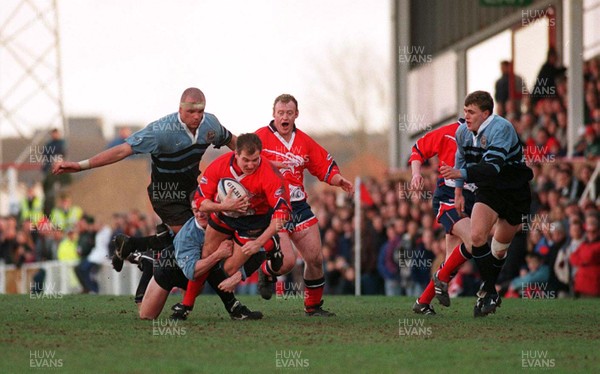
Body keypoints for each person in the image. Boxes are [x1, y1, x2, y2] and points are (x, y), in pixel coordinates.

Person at [52, 87, 251, 312]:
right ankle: (233, 307)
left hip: (194, 189)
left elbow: (235, 142)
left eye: (201, 111)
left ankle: (139, 251)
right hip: (165, 194)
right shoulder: (160, 131)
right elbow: (121, 151)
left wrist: (256, 166)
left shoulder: (210, 125)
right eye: (191, 112)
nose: (197, 116)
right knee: (198, 243)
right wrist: (80, 165)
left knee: (192, 244)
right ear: (180, 109)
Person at [169, 133, 291, 318]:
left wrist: (259, 242)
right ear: (236, 153)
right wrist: (224, 206)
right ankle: (186, 305)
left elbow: (283, 215)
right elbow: (200, 202)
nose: (251, 165)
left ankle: (271, 244)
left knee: (228, 270)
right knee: (207, 255)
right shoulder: (219, 165)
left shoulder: (270, 174)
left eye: (255, 160)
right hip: (224, 213)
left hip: (253, 219)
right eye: (246, 160)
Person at [255, 94, 353, 316]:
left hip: (298, 206)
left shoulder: (304, 141)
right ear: (274, 114)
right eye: (281, 113)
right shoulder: (260, 137)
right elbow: (243, 160)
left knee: (315, 259)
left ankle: (313, 307)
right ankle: (266, 270)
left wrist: (339, 180)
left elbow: (323, 165)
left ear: (296, 115)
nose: (285, 117)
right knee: (287, 262)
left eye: (289, 113)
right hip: (273, 207)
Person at [440, 90, 533, 317]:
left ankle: (488, 288)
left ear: (486, 113)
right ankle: (490, 291)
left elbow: (492, 168)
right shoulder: (463, 132)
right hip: (489, 189)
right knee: (478, 236)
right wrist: (459, 192)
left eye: (471, 112)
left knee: (499, 249)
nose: (466, 117)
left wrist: (459, 173)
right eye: (465, 112)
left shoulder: (501, 128)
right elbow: (461, 159)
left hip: (514, 190)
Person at [139, 201, 261, 320]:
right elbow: (192, 272)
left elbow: (258, 250)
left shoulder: (225, 223)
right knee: (147, 315)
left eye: (203, 210)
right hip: (171, 269)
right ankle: (149, 260)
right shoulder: (187, 236)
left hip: (200, 273)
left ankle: (234, 308)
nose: (200, 214)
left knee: (212, 265)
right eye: (195, 210)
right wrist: (218, 254)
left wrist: (239, 274)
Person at [408, 121, 476, 315]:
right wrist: (415, 174)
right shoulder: (448, 132)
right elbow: (418, 148)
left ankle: (422, 302)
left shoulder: (486, 135)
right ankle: (489, 293)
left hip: (469, 199)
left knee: (449, 266)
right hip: (448, 197)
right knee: (474, 241)